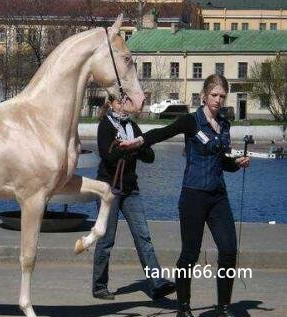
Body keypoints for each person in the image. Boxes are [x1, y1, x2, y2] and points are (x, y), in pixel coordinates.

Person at [120, 74, 251, 317]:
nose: (218, 100)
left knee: (229, 249)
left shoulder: (225, 124)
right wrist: (137, 141)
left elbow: (222, 161)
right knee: (189, 254)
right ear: (204, 95)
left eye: (222, 96)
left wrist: (237, 163)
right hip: (193, 195)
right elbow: (162, 132)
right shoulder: (191, 121)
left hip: (218, 196)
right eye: (214, 95)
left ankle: (223, 308)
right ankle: (183, 308)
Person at [92, 93, 176, 301]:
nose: (122, 105)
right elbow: (107, 157)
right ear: (110, 104)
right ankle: (99, 285)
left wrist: (136, 146)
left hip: (131, 190)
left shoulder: (132, 126)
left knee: (143, 237)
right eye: (118, 101)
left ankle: (157, 283)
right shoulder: (105, 125)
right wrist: (126, 148)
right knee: (106, 240)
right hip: (108, 189)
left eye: (125, 101)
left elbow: (150, 157)